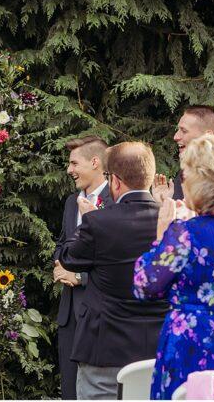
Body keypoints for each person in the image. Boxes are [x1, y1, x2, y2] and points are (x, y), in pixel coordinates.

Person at [60, 142, 170, 400]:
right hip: (158, 349)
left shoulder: (99, 222)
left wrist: (87, 219)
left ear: (116, 182)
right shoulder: (173, 221)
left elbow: (69, 257)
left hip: (104, 349)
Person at [134, 134, 214, 400]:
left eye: (184, 174)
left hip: (190, 343)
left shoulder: (185, 235)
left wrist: (163, 233)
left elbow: (144, 286)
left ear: (199, 178)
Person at [51, 136, 112, 400]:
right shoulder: (69, 202)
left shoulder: (116, 201)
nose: (69, 170)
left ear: (95, 162)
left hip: (101, 312)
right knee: (69, 389)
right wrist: (58, 263)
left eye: (74, 163)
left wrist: (79, 276)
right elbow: (62, 243)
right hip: (70, 316)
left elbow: (115, 259)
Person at [153, 106, 214, 202]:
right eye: (178, 130)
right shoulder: (182, 176)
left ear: (207, 136)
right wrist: (164, 204)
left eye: (184, 131)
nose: (175, 137)